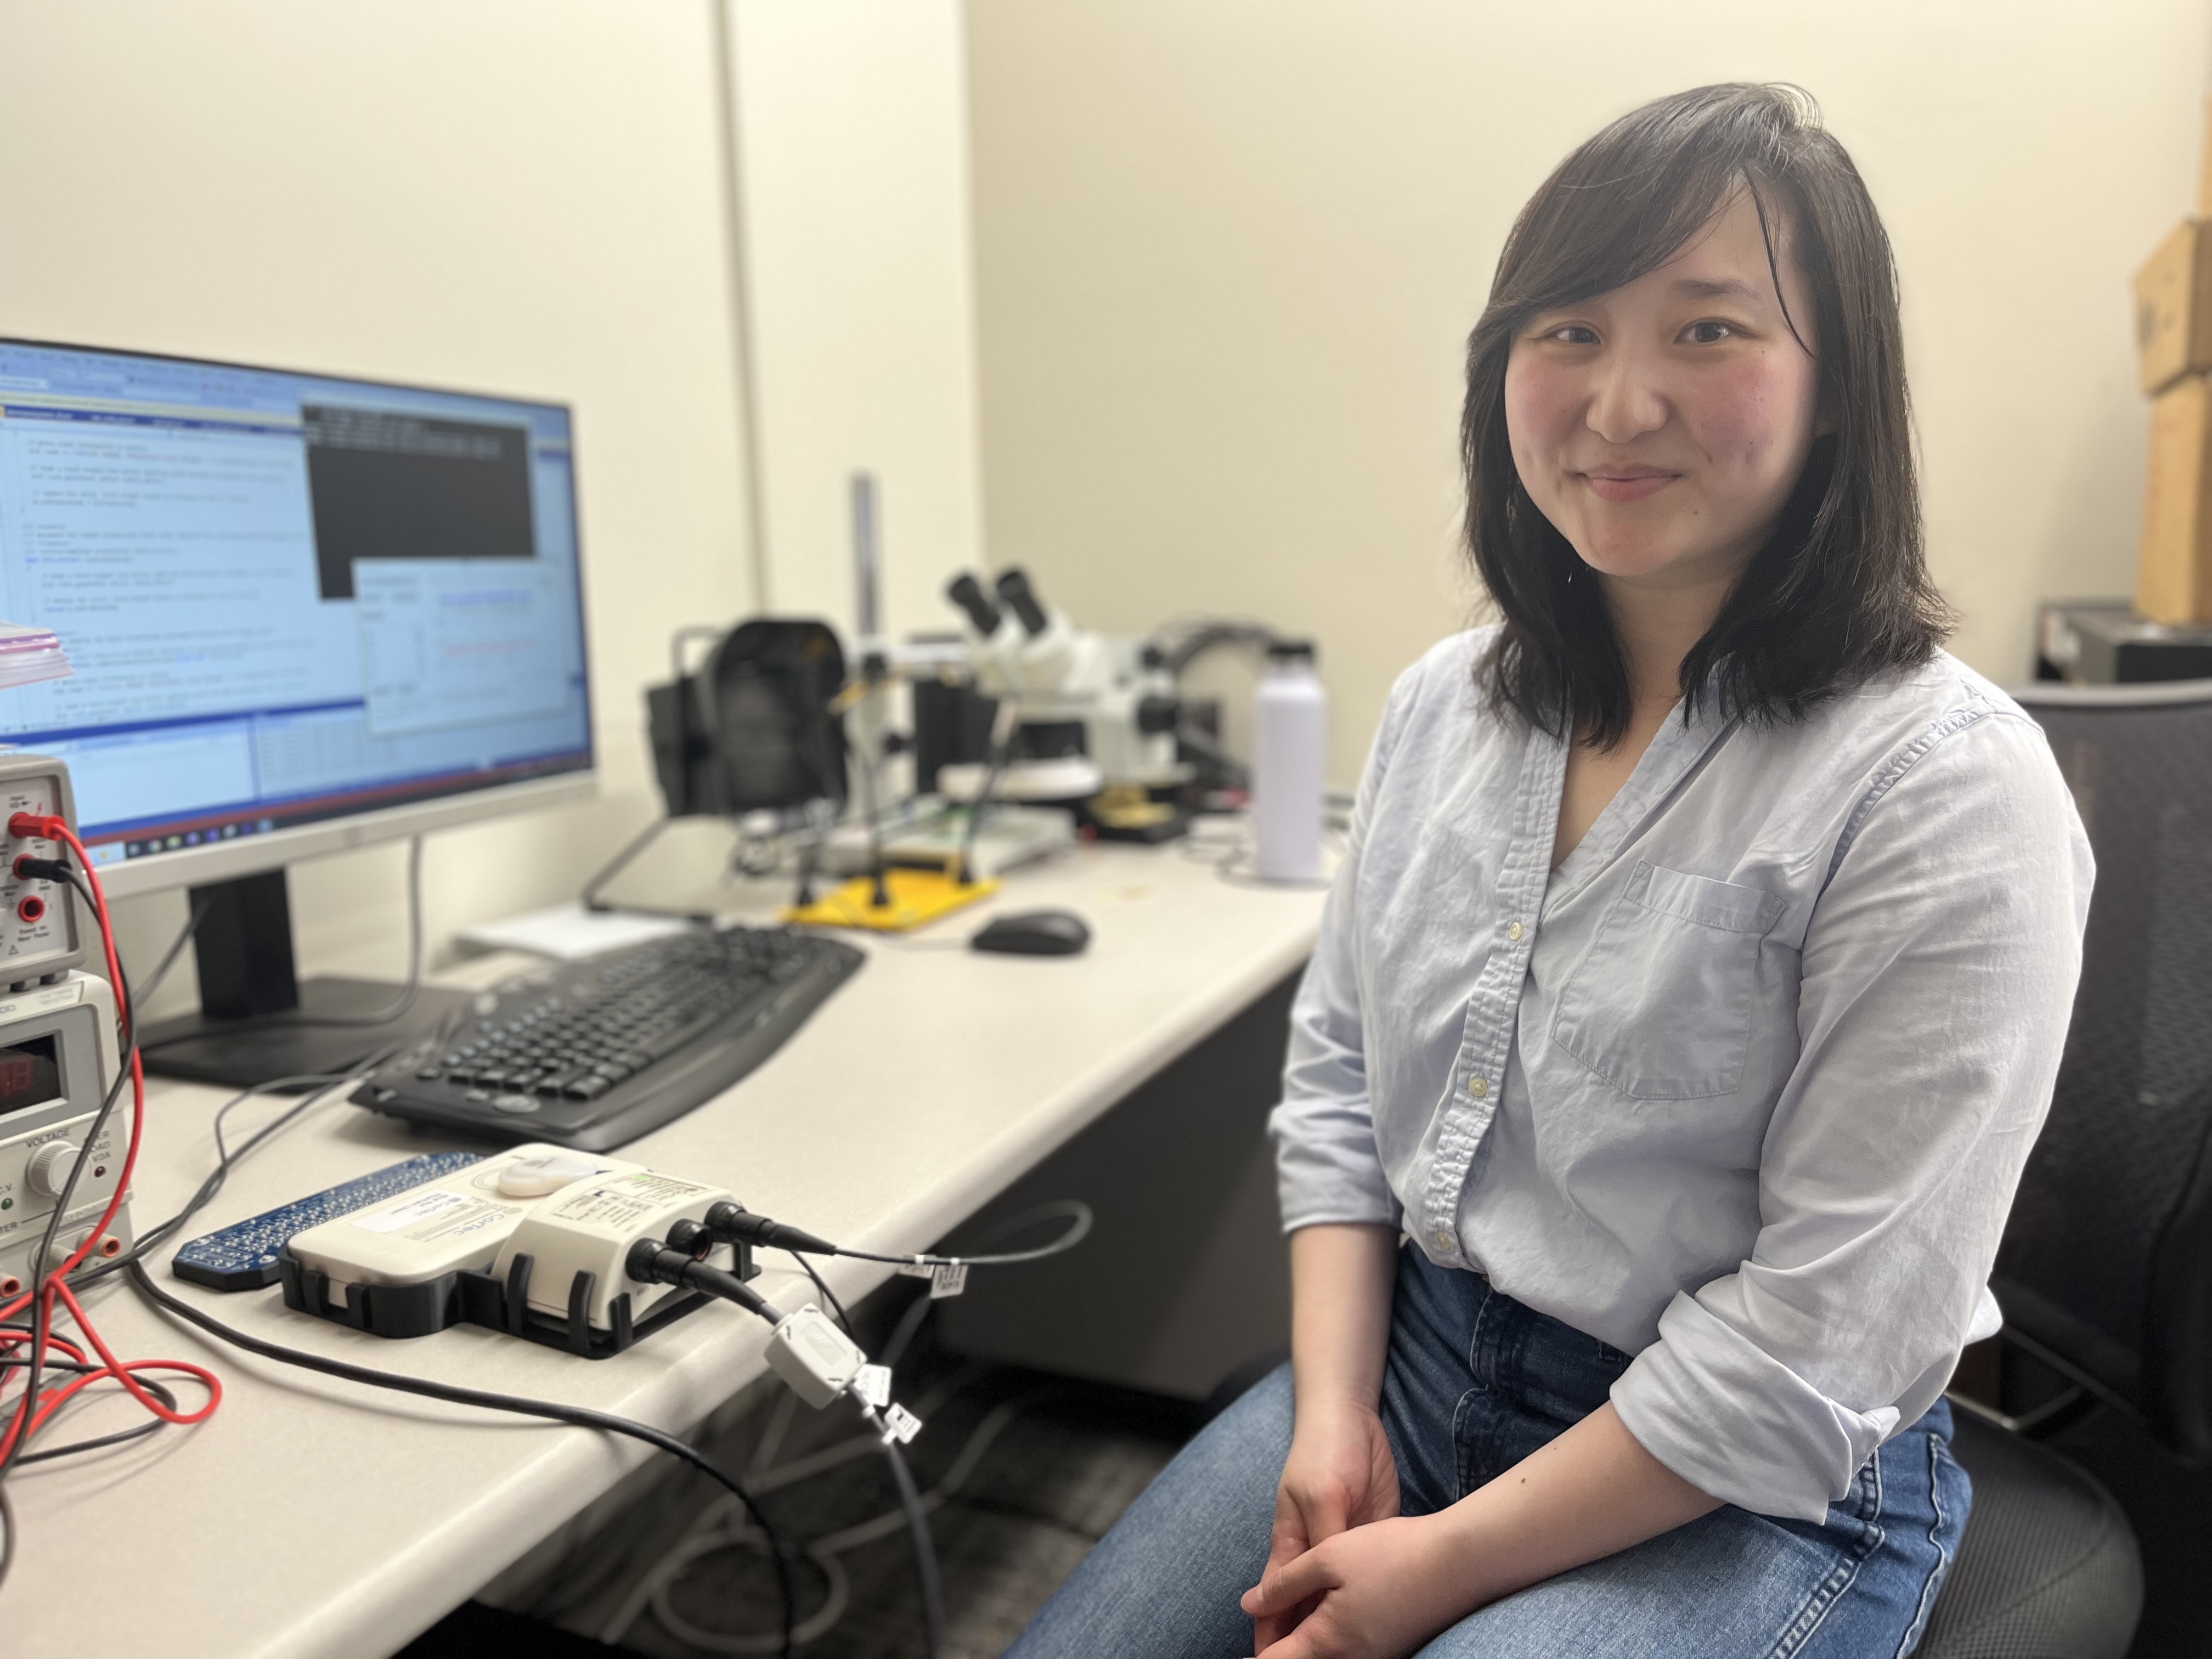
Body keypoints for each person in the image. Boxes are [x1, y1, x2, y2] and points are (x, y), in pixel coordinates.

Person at [1006, 82, 2093, 1659]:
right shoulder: (1447, 703)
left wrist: (1439, 1573)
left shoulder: (1943, 789)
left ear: (1838, 383)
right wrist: (1327, 1418)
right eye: (1568, 330)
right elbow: (1338, 1091)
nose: (1620, 401)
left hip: (1752, 1479)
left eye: (1709, 331)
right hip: (1418, 1365)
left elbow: (1814, 1345)